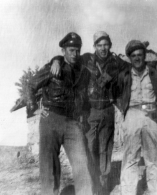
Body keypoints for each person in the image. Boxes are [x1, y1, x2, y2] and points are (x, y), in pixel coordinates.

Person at [50, 31, 128, 194]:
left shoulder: (116, 62)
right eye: (99, 45)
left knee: (105, 149)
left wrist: (156, 64)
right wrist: (55, 60)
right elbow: (66, 58)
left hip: (108, 111)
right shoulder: (86, 59)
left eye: (106, 44)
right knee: (89, 148)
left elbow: (134, 66)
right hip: (90, 111)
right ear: (94, 47)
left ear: (110, 45)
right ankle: (91, 187)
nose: (103, 48)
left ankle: (103, 187)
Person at [26, 32, 93, 195]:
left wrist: (82, 115)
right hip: (51, 120)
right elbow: (30, 85)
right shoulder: (53, 67)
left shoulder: (84, 72)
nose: (75, 54)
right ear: (63, 51)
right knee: (49, 166)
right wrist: (35, 109)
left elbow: (84, 97)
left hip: (72, 122)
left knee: (81, 164)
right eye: (71, 50)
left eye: (77, 50)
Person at [117, 40, 157, 195]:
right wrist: (124, 113)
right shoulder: (124, 74)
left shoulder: (153, 72)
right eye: (133, 56)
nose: (137, 58)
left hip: (151, 115)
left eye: (140, 55)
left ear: (144, 56)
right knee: (130, 157)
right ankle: (128, 192)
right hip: (132, 114)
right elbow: (117, 94)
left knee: (153, 157)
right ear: (129, 58)